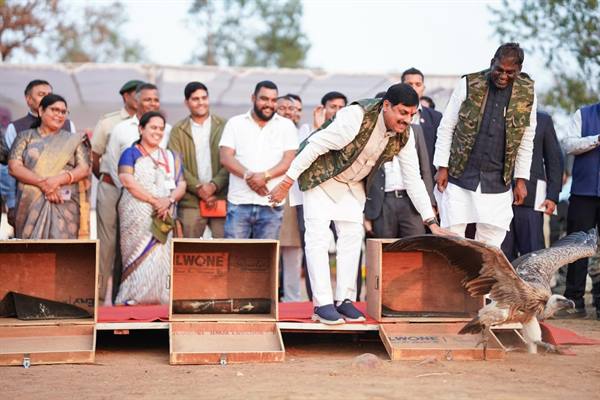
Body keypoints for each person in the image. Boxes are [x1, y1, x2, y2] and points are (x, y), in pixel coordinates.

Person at [268, 83, 445, 324]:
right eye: (402, 112)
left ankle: (344, 300)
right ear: (386, 105)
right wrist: (286, 182)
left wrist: (431, 222)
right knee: (318, 238)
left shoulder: (406, 134)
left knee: (352, 237)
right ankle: (322, 304)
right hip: (320, 177)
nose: (407, 120)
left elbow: (413, 179)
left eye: (412, 114)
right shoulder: (355, 116)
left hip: (352, 184)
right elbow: (315, 145)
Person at [434, 42, 537, 247]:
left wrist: (521, 180)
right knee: (452, 240)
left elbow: (526, 138)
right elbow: (447, 127)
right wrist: (442, 166)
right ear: (492, 63)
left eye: (510, 72)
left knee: (490, 245)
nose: (503, 76)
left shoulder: (528, 93)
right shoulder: (468, 83)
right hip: (460, 175)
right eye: (499, 69)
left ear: (519, 70)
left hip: (498, 181)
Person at [98, 82, 170, 304]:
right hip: (127, 198)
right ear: (136, 101)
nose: (152, 103)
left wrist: (165, 200)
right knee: (117, 248)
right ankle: (108, 299)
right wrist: (137, 196)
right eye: (147, 99)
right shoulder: (120, 129)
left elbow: (171, 170)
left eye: (156, 100)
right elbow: (115, 166)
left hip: (161, 204)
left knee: (159, 252)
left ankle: (157, 296)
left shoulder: (168, 131)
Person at [115, 111, 185, 305]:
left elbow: (181, 184)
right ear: (141, 129)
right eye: (153, 127)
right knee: (136, 253)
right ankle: (132, 296)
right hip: (136, 212)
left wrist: (168, 200)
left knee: (162, 254)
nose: (158, 132)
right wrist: (155, 201)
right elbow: (127, 180)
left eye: (161, 129)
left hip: (164, 212)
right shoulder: (130, 153)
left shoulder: (170, 156)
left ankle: (162, 297)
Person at [219, 80, 298, 239]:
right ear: (253, 98)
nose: (269, 104)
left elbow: (289, 160)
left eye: (273, 100)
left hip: (271, 205)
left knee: (266, 254)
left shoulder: (286, 126)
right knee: (235, 253)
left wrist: (265, 176)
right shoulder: (235, 123)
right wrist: (249, 176)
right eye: (264, 99)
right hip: (239, 203)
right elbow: (225, 157)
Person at [8, 94, 90, 239]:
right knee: (29, 249)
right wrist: (44, 184)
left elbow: (84, 169)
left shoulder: (73, 140)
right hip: (30, 202)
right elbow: (14, 167)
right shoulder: (25, 136)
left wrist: (57, 181)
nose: (59, 115)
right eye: (54, 110)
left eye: (63, 112)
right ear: (41, 111)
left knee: (63, 249)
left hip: (64, 202)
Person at [2, 80, 76, 228]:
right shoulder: (16, 128)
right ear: (28, 99)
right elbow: (9, 170)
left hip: (62, 198)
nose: (47, 97)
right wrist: (11, 204)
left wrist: (56, 185)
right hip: (27, 200)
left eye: (49, 94)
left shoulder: (68, 125)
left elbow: (75, 164)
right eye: (41, 94)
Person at [364, 93, 436, 238]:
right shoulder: (368, 131)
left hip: (411, 201)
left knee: (416, 245)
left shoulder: (413, 131)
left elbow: (424, 170)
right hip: (382, 202)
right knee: (385, 248)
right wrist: (366, 212)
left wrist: (430, 206)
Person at [167, 81, 228, 238]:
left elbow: (232, 159)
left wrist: (214, 186)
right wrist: (199, 188)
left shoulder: (225, 126)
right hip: (190, 200)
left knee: (224, 248)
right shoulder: (178, 130)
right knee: (189, 248)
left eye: (204, 98)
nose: (201, 102)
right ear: (186, 102)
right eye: (195, 99)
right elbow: (176, 164)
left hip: (221, 197)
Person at [557, 100, 600, 318]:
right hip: (583, 193)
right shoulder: (583, 114)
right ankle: (575, 302)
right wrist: (597, 139)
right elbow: (568, 145)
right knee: (577, 248)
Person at [501, 111, 563, 261]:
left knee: (532, 255)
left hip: (532, 199)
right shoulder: (500, 115)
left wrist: (552, 196)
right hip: (499, 196)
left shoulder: (543, 120)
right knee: (502, 255)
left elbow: (554, 160)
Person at [90, 79, 142, 178]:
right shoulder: (108, 122)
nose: (140, 99)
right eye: (137, 95)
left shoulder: (150, 122)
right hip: (110, 183)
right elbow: (93, 155)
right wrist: (105, 178)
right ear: (126, 96)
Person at [401, 67, 443, 177]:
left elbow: (441, 148)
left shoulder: (436, 117)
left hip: (426, 176)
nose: (413, 88)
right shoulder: (391, 115)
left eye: (418, 84)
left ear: (423, 88)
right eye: (409, 84)